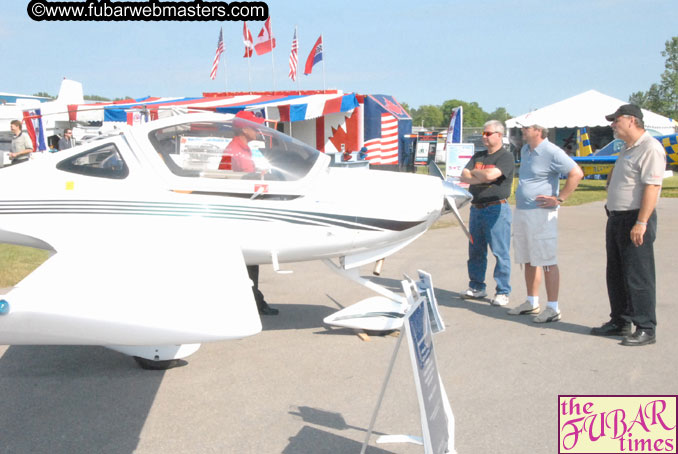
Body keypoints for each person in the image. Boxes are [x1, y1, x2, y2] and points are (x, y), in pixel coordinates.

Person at [591, 105, 665, 346]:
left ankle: (645, 326)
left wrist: (641, 222)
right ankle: (620, 321)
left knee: (638, 276)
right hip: (616, 217)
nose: (613, 124)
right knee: (616, 273)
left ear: (632, 120)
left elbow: (652, 187)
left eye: (616, 120)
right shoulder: (627, 148)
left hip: (635, 218)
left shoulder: (650, 147)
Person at [507, 122, 583, 322]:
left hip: (541, 214)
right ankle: (532, 302)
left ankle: (553, 307)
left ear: (538, 131)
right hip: (523, 211)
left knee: (547, 259)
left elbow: (577, 173)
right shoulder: (525, 149)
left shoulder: (552, 151)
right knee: (528, 258)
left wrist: (559, 199)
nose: (522, 130)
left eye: (527, 127)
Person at [459, 120, 515, 306]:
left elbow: (491, 176)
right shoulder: (479, 156)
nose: (484, 136)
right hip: (476, 208)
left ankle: (502, 291)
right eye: (483, 133)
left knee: (500, 251)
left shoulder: (505, 157)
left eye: (488, 133)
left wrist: (477, 175)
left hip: (496, 208)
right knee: (476, 250)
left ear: (499, 135)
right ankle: (476, 287)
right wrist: (479, 175)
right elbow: (464, 174)